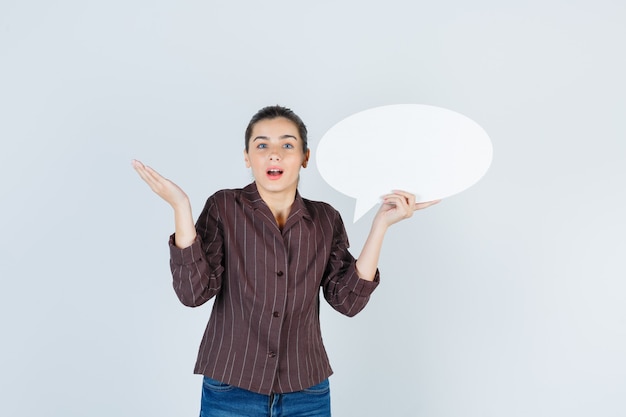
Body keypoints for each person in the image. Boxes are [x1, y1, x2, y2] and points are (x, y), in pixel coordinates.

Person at [132, 105, 439, 417]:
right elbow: (192, 293)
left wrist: (381, 225)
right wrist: (180, 207)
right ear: (246, 157)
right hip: (231, 386)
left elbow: (347, 302)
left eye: (287, 145)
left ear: (305, 157)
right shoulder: (223, 207)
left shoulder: (325, 218)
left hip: (306, 391)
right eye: (262, 145)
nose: (274, 154)